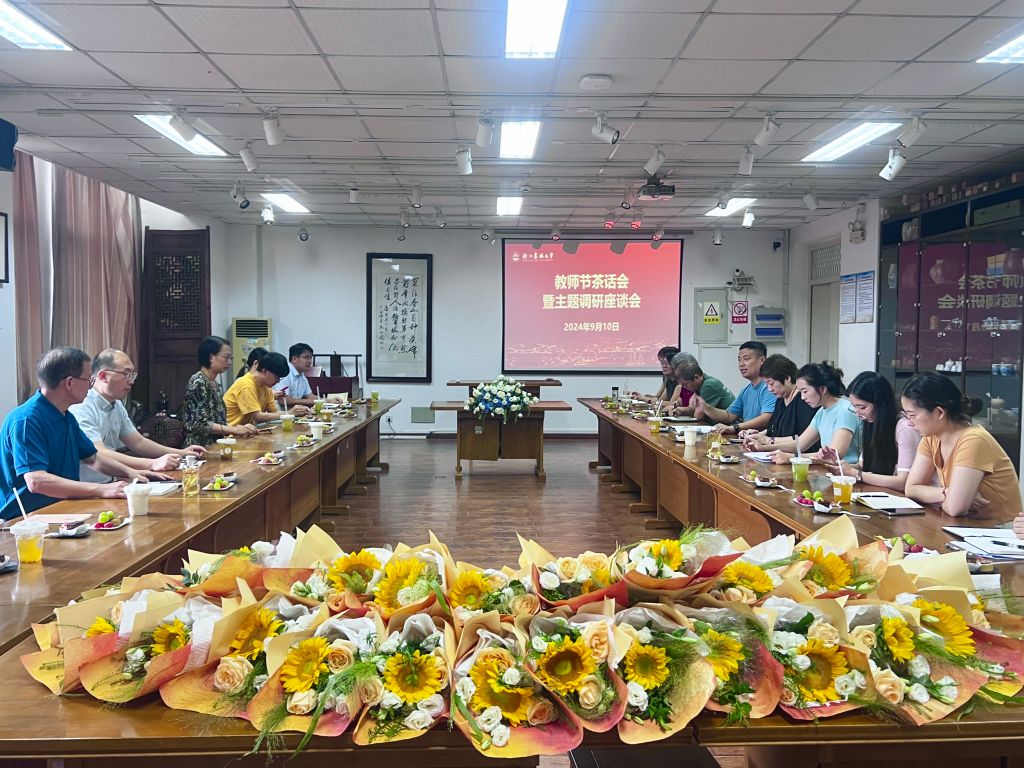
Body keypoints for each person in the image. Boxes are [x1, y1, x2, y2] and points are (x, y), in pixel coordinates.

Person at [0, 348, 152, 520]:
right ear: (69, 383)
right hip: (25, 519)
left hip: (63, 508)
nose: (91, 385)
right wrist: (101, 489)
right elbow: (36, 481)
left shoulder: (66, 416)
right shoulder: (26, 420)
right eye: (88, 380)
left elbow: (93, 458)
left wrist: (133, 473)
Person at [69, 348, 207, 483]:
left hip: (111, 483)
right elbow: (98, 453)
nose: (131, 381)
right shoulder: (81, 407)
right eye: (126, 374)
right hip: (87, 487)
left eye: (132, 375)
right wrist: (151, 464)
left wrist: (182, 453)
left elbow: (138, 442)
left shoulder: (117, 404)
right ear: (103, 376)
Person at [902, 372, 1022, 525]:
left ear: (939, 412)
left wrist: (941, 497)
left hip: (999, 530)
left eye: (912, 415)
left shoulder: (973, 440)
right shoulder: (931, 438)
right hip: (964, 526)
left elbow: (955, 508)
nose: (909, 423)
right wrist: (946, 493)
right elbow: (911, 488)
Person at [824, 371, 920, 493]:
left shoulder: (904, 427)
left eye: (862, 407)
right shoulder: (872, 422)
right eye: (854, 406)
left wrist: (856, 474)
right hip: (878, 493)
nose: (857, 412)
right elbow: (863, 466)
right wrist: (837, 465)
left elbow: (903, 482)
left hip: (899, 497)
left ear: (881, 404)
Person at [757, 361, 861, 464]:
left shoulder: (845, 411)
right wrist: (763, 447)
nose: (802, 397)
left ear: (822, 389)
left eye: (805, 391)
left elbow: (835, 455)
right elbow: (800, 444)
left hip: (845, 473)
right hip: (828, 470)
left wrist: (792, 457)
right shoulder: (821, 411)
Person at [183, 336, 259, 446]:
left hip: (216, 444)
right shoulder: (198, 382)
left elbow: (217, 420)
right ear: (211, 357)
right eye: (226, 357)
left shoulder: (214, 383)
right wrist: (234, 430)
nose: (229, 362)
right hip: (199, 447)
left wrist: (238, 428)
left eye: (231, 358)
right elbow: (200, 424)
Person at [692, 342, 775, 434]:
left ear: (762, 360)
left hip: (763, 439)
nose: (741, 364)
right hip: (747, 438)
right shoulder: (746, 390)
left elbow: (766, 418)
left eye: (746, 359)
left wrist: (735, 427)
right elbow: (728, 416)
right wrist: (705, 407)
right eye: (739, 360)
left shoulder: (769, 387)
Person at [740, 354, 819, 451]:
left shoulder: (805, 401)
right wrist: (757, 435)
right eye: (767, 384)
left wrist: (768, 440)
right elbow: (774, 429)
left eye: (771, 383)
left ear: (787, 378)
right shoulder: (781, 399)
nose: (769, 389)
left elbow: (802, 439)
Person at [224, 351, 305, 426]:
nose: (277, 381)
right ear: (264, 371)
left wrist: (295, 413)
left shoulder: (266, 386)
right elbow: (258, 417)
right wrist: (289, 413)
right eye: (276, 377)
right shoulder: (246, 385)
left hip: (245, 431)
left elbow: (274, 412)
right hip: (230, 433)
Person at [667, 352, 734, 418]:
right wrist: (681, 410)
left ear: (696, 377)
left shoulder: (708, 385)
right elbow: (693, 409)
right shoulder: (701, 383)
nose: (684, 387)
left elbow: (699, 416)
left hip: (731, 423)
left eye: (686, 384)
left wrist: (685, 411)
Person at [276, 343, 317, 410]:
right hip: (281, 414)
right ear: (294, 359)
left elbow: (310, 396)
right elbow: (283, 400)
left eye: (310, 358)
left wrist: (328, 400)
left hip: (295, 413)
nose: (310, 361)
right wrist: (308, 402)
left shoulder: (302, 376)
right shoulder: (285, 372)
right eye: (306, 357)